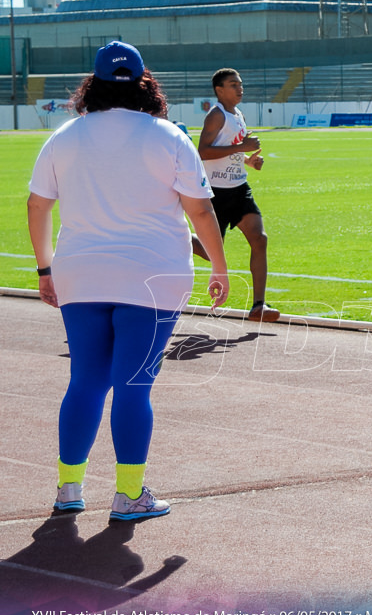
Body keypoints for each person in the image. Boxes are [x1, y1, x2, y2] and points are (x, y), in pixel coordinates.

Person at [27, 41, 229, 521]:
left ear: (91, 84)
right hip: (152, 274)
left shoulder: (65, 136)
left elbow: (38, 206)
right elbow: (199, 208)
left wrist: (44, 267)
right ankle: (128, 495)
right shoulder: (168, 135)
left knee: (86, 382)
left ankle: (68, 489)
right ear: (146, 83)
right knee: (134, 387)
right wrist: (219, 266)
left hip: (80, 271)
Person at [198, 68, 279, 323]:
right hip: (216, 193)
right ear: (219, 90)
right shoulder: (216, 115)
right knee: (208, 250)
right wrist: (243, 147)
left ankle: (258, 306)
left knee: (259, 238)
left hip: (239, 188)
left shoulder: (238, 114)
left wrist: (248, 161)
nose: (240, 88)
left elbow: (230, 150)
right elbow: (203, 152)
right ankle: (182, 238)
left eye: (240, 84)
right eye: (233, 84)